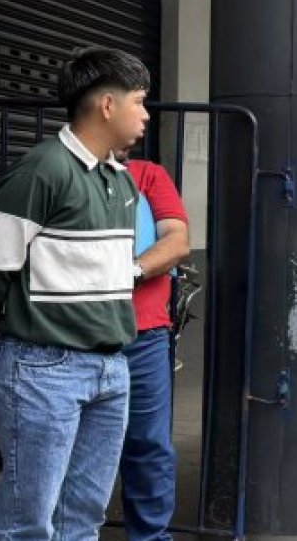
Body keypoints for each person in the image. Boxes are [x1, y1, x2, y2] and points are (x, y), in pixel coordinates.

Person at [0, 46, 150, 540]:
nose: (146, 114)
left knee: (82, 519)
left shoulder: (120, 180)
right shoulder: (43, 171)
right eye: (139, 101)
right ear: (106, 105)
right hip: (42, 371)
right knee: (28, 523)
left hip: (110, 369)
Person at [116, 150, 191, 541]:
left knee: (148, 448)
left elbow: (177, 242)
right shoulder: (60, 173)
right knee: (71, 452)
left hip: (143, 335)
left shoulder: (148, 175)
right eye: (137, 105)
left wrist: (125, 273)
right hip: (74, 336)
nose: (144, 119)